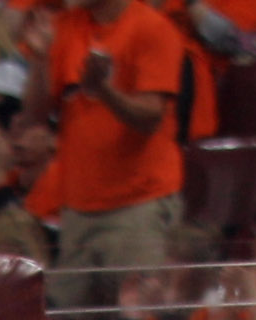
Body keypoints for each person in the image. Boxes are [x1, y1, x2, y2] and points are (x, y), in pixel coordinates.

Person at [34, 0, 188, 296]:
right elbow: (36, 115)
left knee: (137, 315)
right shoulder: (66, 26)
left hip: (138, 203)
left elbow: (150, 116)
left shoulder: (152, 28)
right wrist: (40, 60)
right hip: (79, 206)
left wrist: (104, 91)